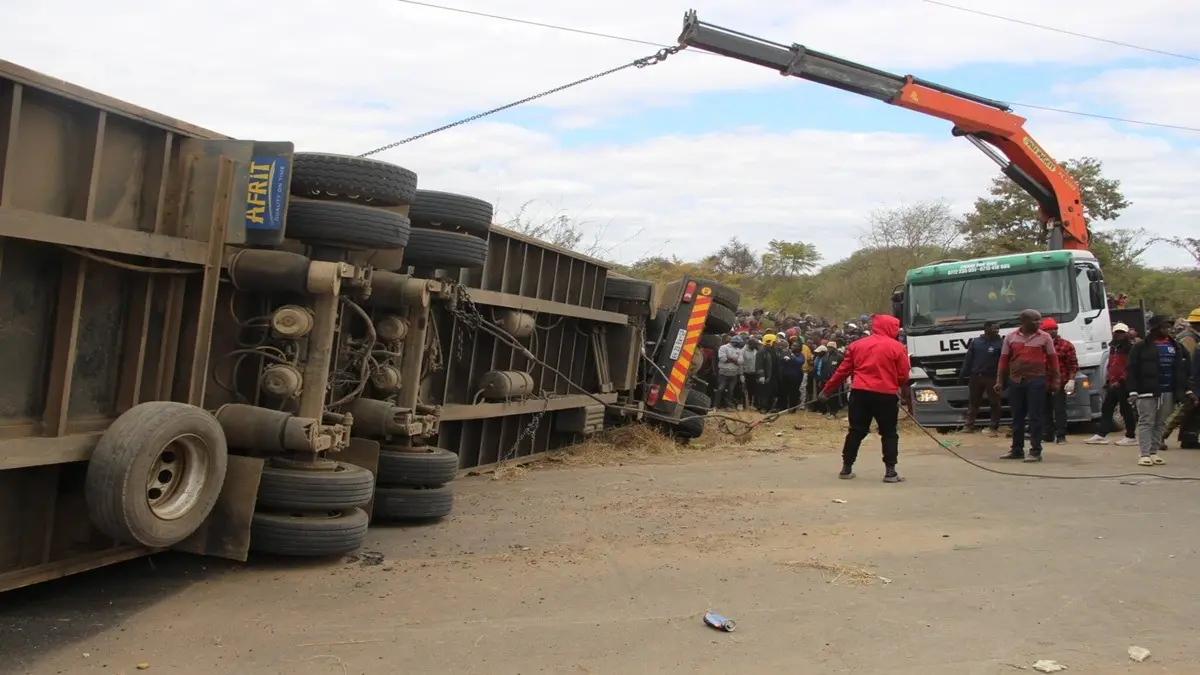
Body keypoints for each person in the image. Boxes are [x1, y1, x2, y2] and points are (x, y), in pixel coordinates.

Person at [819, 314, 910, 483]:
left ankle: (846, 468)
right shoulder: (897, 347)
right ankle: (890, 472)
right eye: (896, 327)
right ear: (890, 327)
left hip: (859, 393)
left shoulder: (856, 345)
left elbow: (842, 371)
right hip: (886, 395)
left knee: (856, 431)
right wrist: (894, 384)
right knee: (889, 433)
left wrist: (827, 390)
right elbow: (904, 374)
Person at [1125, 314, 1196, 466]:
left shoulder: (1176, 346)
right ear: (1155, 328)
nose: (1167, 329)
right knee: (1146, 421)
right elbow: (1131, 370)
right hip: (1146, 391)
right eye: (1164, 327)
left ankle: (1153, 452)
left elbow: (1184, 370)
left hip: (1168, 391)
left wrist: (1187, 389)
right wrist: (1132, 391)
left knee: (1160, 422)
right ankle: (1144, 454)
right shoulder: (1140, 347)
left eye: (1169, 327)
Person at [995, 309, 1060, 462]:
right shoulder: (1010, 337)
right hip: (1016, 381)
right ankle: (1016, 450)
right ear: (1023, 321)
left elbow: (1053, 360)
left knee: (1035, 417)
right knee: (1017, 417)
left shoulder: (1045, 337)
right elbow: (1003, 360)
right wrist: (999, 380)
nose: (1039, 323)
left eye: (1040, 320)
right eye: (1035, 320)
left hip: (1037, 380)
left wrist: (1056, 380)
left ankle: (1035, 451)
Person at [1085, 322, 1139, 446]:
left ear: (1126, 334)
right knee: (1107, 408)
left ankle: (1131, 436)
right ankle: (1101, 435)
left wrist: (1120, 380)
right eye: (1117, 332)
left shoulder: (1131, 348)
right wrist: (1109, 380)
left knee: (1126, 410)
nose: (1119, 335)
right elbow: (1111, 364)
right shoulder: (1113, 347)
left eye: (1122, 333)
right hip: (1113, 382)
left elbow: (1130, 367)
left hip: (1125, 383)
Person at [958, 320, 1003, 436]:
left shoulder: (1001, 343)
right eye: (994, 328)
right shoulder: (976, 342)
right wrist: (963, 375)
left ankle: (993, 427)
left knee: (995, 402)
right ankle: (969, 425)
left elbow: (1004, 362)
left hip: (992, 377)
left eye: (998, 328)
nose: (996, 330)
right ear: (986, 329)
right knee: (973, 402)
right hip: (976, 376)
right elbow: (968, 360)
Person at [1163, 308, 1200, 445]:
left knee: (1193, 411)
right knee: (1183, 409)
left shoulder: (1192, 336)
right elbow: (1186, 361)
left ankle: (1189, 438)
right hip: (1189, 379)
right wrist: (1188, 383)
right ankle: (1160, 435)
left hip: (1192, 379)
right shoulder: (1189, 338)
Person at [1041, 318, 1078, 445]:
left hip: (1059, 382)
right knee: (1045, 410)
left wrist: (1071, 380)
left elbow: (1073, 364)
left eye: (1054, 329)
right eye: (1049, 329)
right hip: (1043, 382)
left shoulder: (1066, 345)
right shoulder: (1039, 345)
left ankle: (1061, 436)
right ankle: (1047, 434)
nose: (1053, 331)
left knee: (1059, 409)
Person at [714, 335, 744, 410]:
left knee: (731, 391)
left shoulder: (739, 350)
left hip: (734, 374)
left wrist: (731, 359)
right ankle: (716, 406)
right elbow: (722, 359)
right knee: (720, 389)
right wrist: (735, 361)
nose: (740, 344)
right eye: (739, 343)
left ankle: (728, 406)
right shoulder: (724, 348)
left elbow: (741, 361)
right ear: (735, 342)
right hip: (723, 373)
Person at [779, 341, 806, 412]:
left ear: (799, 348)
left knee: (794, 392)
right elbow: (780, 361)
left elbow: (799, 362)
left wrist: (792, 356)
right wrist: (784, 359)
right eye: (792, 345)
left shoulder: (801, 355)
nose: (792, 347)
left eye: (795, 346)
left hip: (796, 377)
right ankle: (783, 407)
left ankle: (792, 408)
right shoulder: (787, 353)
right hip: (786, 376)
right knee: (784, 392)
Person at [741, 337, 761, 410]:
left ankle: (754, 405)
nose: (756, 346)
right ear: (750, 344)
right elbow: (741, 364)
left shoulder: (755, 350)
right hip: (746, 373)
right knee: (746, 391)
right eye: (755, 344)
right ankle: (746, 405)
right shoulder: (743, 351)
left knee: (755, 390)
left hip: (755, 373)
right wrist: (741, 374)